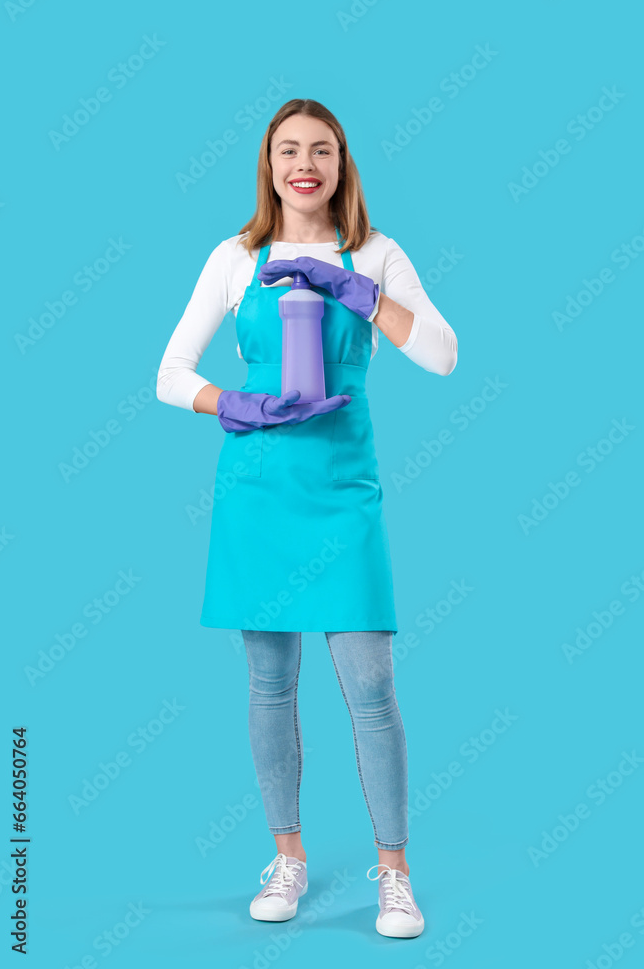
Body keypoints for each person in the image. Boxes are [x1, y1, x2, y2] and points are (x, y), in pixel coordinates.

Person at [157, 98, 457, 939]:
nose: (305, 163)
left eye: (321, 150)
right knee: (268, 685)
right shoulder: (235, 256)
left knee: (370, 688)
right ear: (269, 164)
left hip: (341, 493)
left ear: (341, 164)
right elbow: (169, 373)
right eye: (288, 149)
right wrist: (236, 404)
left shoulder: (376, 253)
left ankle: (394, 875)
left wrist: (356, 292)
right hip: (257, 491)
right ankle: (286, 858)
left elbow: (440, 355)